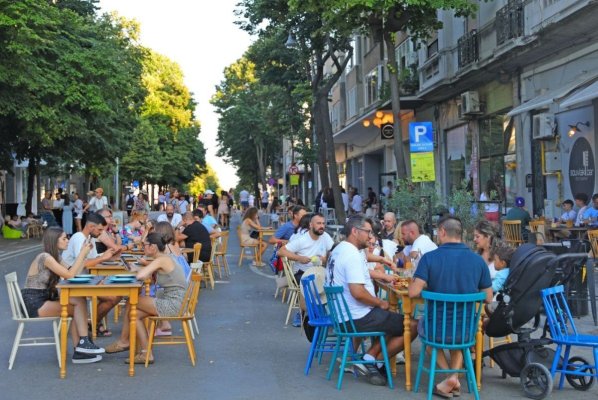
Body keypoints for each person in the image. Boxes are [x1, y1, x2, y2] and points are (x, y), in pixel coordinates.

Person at [325, 215, 416, 386]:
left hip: (342, 316)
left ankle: (371, 357)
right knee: (412, 325)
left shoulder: (340, 249)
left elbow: (364, 261)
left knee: (392, 316)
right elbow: (358, 292)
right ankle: (373, 359)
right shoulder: (351, 254)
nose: (370, 236)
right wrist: (379, 302)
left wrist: (382, 260)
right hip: (355, 318)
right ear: (354, 231)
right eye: (367, 232)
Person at [408, 216, 493, 397]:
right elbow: (488, 297)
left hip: (435, 328)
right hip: (466, 331)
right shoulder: (478, 261)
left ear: (443, 232)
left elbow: (413, 293)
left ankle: (450, 377)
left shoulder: (429, 259)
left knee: (422, 328)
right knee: (458, 338)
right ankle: (452, 377)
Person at [21, 227, 105, 363]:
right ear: (54, 241)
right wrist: (82, 254)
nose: (68, 241)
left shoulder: (55, 257)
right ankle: (82, 345)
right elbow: (69, 275)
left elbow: (72, 272)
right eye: (64, 238)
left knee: (79, 300)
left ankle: (81, 348)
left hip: (44, 299)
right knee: (77, 306)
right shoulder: (45, 257)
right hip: (34, 303)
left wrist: (83, 255)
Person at [105, 232, 187, 363]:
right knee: (135, 314)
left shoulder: (161, 260)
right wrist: (137, 268)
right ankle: (145, 353)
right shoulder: (164, 258)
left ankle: (124, 341)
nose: (143, 248)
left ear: (153, 247)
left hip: (173, 303)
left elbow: (141, 276)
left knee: (132, 301)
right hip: (175, 301)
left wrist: (139, 269)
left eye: (145, 245)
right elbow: (146, 275)